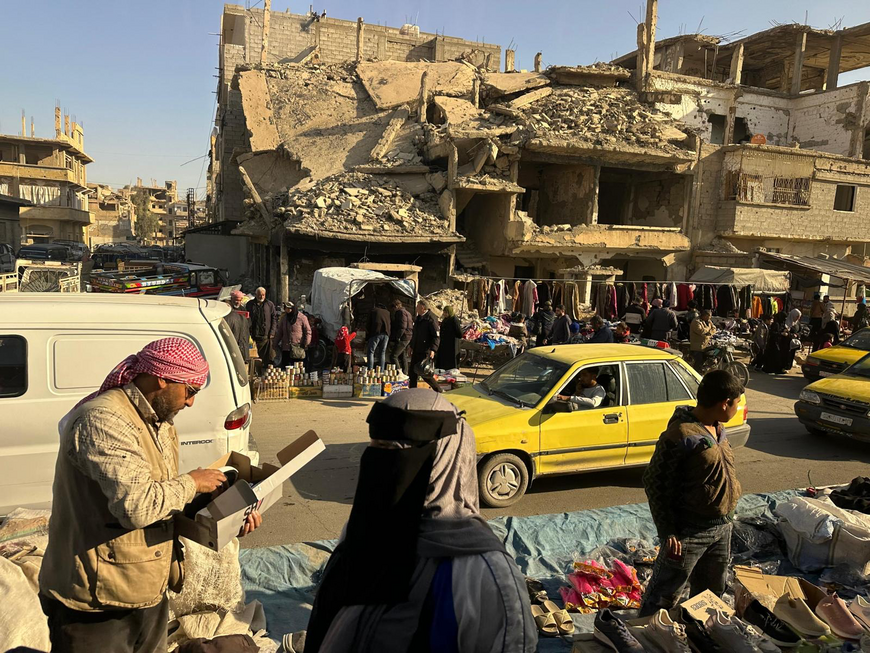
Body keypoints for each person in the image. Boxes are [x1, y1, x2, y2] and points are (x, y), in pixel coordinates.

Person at [39, 338, 262, 653]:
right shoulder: (104, 420)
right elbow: (137, 507)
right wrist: (191, 483)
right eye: (190, 391)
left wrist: (226, 517)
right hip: (97, 603)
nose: (191, 403)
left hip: (146, 589)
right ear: (162, 379)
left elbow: (164, 501)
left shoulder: (159, 422)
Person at [305, 390, 537, 653]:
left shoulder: (483, 574)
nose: (376, 462)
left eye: (391, 450)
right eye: (375, 446)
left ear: (441, 459)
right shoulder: (363, 531)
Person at [639, 370, 743, 617]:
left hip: (721, 528)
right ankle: (645, 632)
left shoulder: (717, 428)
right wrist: (667, 531)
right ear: (724, 403)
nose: (737, 409)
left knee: (710, 594)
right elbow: (654, 483)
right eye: (737, 403)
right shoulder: (680, 435)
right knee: (664, 595)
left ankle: (698, 631)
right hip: (689, 532)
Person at [409, 300, 440, 391]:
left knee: (424, 373)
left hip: (425, 350)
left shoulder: (431, 318)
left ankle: (438, 390)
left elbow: (436, 336)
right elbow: (415, 334)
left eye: (417, 307)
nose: (416, 308)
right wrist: (411, 346)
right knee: (412, 372)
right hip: (416, 349)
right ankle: (412, 392)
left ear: (423, 308)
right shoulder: (418, 318)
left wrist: (433, 349)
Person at [273, 301, 311, 370]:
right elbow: (279, 332)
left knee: (298, 369)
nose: (288, 310)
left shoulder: (302, 318)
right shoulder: (284, 318)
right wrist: (274, 343)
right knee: (286, 369)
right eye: (286, 308)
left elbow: (308, 331)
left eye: (289, 308)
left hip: (298, 348)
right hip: (286, 348)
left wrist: (306, 343)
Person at [246, 287, 278, 363]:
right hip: (254, 335)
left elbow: (274, 318)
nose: (261, 297)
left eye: (263, 295)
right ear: (256, 294)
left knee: (268, 356)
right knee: (255, 355)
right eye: (260, 295)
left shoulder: (269, 304)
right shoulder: (250, 304)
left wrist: (272, 331)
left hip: (266, 335)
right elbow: (247, 317)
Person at [224, 290, 251, 362]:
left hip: (242, 339)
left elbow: (248, 324)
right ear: (232, 299)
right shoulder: (227, 309)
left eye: (239, 300)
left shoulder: (243, 309)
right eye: (236, 300)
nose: (237, 302)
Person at [389, 299, 414, 375]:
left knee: (393, 356)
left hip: (403, 337)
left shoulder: (400, 312)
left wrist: (398, 337)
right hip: (408, 336)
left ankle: (399, 373)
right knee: (403, 356)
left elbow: (402, 326)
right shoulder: (407, 312)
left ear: (396, 306)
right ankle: (405, 373)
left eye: (393, 308)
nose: (393, 310)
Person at [436, 305, 462, 370]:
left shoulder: (454, 320)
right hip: (445, 343)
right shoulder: (445, 320)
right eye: (444, 312)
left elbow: (459, 333)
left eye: (446, 312)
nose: (444, 314)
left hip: (452, 344)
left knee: (451, 361)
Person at [367, 302, 391, 371]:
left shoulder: (373, 311)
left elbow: (368, 323)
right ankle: (381, 371)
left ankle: (370, 370)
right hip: (386, 334)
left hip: (376, 333)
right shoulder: (387, 312)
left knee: (371, 352)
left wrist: (368, 334)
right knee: (382, 352)